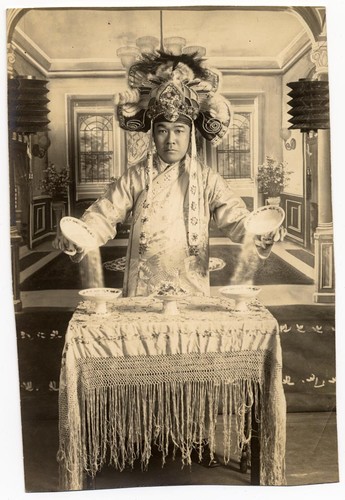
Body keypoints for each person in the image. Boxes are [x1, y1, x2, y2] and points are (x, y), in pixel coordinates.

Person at [54, 51, 281, 298]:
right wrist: (78, 236)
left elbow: (237, 219)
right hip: (143, 282)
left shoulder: (208, 179)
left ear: (190, 134)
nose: (171, 140)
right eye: (162, 130)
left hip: (191, 280)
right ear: (153, 134)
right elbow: (105, 213)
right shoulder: (135, 176)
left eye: (179, 130)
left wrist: (262, 232)